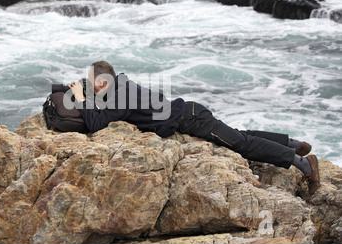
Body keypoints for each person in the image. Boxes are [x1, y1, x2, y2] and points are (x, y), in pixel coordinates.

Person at [68, 61, 320, 194]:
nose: (90, 87)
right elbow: (115, 110)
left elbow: (97, 124)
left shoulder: (121, 94)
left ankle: (303, 163)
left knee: (241, 145)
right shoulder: (122, 87)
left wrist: (79, 96)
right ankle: (292, 143)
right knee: (239, 137)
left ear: (103, 81)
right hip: (189, 112)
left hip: (192, 119)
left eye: (92, 83)